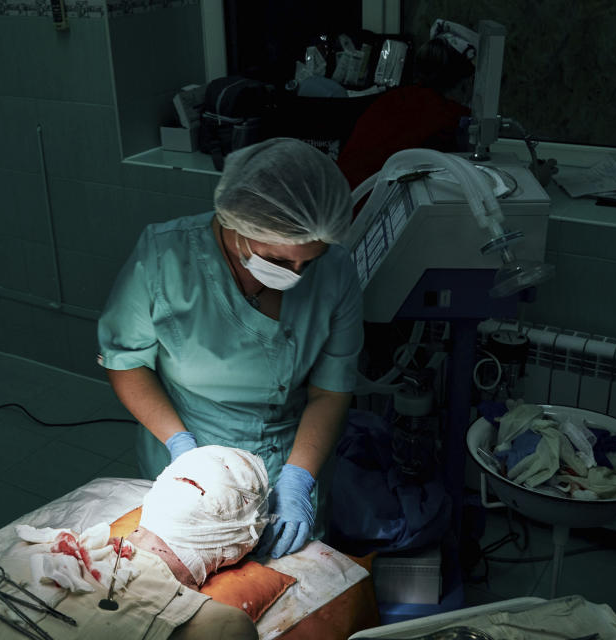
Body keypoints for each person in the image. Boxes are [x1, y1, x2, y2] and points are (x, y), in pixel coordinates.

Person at [97, 137, 363, 559]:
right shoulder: (165, 259)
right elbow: (126, 364)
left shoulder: (336, 272)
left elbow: (330, 391)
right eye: (277, 260)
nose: (296, 276)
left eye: (307, 263)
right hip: (190, 454)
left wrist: (297, 480)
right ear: (236, 224)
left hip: (292, 452)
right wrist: (182, 447)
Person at [336, 20, 476, 190]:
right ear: (464, 83)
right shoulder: (447, 117)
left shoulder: (397, 96)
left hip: (341, 194)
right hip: (366, 205)